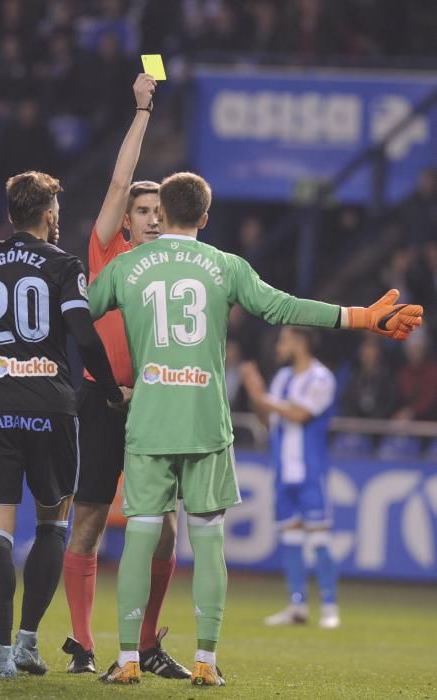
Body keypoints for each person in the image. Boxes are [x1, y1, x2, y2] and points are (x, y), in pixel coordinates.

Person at [87, 171, 423, 687]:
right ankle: (205, 659)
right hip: (205, 424)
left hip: (150, 420)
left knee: (141, 537)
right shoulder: (226, 266)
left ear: (161, 214)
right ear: (203, 216)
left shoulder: (126, 266)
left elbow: (77, 315)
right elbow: (282, 307)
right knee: (209, 541)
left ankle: (128, 658)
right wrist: (361, 317)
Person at [0, 170, 130, 679]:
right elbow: (83, 333)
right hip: (53, 409)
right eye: (57, 207)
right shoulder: (64, 264)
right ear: (48, 212)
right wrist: (107, 387)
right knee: (54, 522)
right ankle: (28, 643)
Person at [61, 73, 189, 679]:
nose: (153, 219)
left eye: (161, 211)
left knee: (165, 532)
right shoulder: (109, 253)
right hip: (102, 404)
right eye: (143, 210)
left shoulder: (175, 263)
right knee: (86, 522)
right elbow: (118, 179)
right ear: (127, 221)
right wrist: (142, 111)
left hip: (155, 407)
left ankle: (146, 644)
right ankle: (83, 647)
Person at [240, 328, 340, 629]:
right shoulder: (282, 378)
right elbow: (269, 418)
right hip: (283, 469)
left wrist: (262, 397)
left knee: (319, 537)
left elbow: (300, 414)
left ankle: (330, 607)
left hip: (310, 470)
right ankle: (297, 606)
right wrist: (255, 396)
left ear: (301, 342)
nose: (279, 347)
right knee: (292, 537)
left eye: (284, 340)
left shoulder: (321, 378)